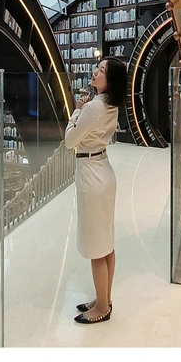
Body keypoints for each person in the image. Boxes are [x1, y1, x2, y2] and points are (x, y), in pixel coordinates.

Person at [64, 57, 127, 324]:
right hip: (104, 171)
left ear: (109, 80)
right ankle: (104, 298)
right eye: (97, 68)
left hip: (91, 174)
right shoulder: (110, 105)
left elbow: (70, 141)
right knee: (106, 243)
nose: (95, 72)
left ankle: (101, 308)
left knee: (96, 247)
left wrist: (76, 111)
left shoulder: (91, 107)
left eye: (101, 70)